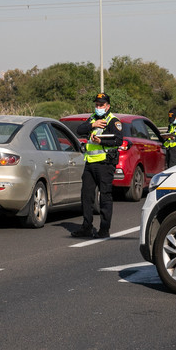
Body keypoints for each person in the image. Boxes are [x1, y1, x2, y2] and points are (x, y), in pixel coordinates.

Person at [70, 92, 124, 239]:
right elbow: (79, 130)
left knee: (105, 197)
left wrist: (102, 142)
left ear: (108, 106)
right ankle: (86, 227)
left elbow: (118, 140)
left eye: (101, 105)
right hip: (90, 163)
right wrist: (92, 125)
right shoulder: (93, 119)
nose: (98, 107)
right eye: (96, 105)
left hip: (105, 164)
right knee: (86, 196)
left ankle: (104, 230)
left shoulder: (113, 121)